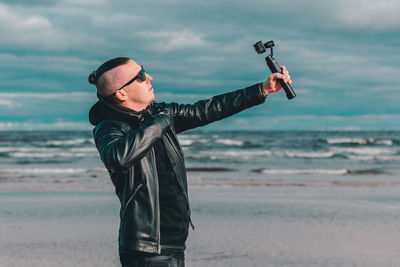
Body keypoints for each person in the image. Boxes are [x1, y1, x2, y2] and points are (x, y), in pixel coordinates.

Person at [88, 57, 292, 267]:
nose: (149, 77)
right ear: (122, 93)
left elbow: (208, 109)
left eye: (144, 71)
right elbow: (118, 157)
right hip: (146, 249)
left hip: (174, 243)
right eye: (140, 77)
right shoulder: (111, 127)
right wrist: (161, 121)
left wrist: (262, 89)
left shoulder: (157, 113)